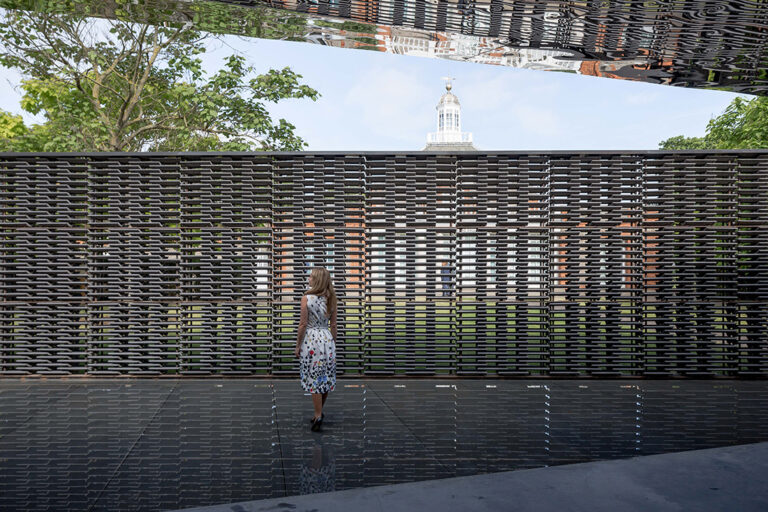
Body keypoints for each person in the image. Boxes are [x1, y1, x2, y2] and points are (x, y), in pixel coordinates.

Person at [294, 267, 338, 432]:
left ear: (317, 280)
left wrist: (298, 345)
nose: (309, 278)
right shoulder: (332, 298)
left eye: (311, 276)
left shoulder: (306, 298)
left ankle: (318, 415)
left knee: (314, 379)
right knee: (325, 378)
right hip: (327, 339)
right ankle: (319, 413)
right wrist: (333, 342)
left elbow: (303, 324)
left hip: (312, 341)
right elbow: (333, 325)